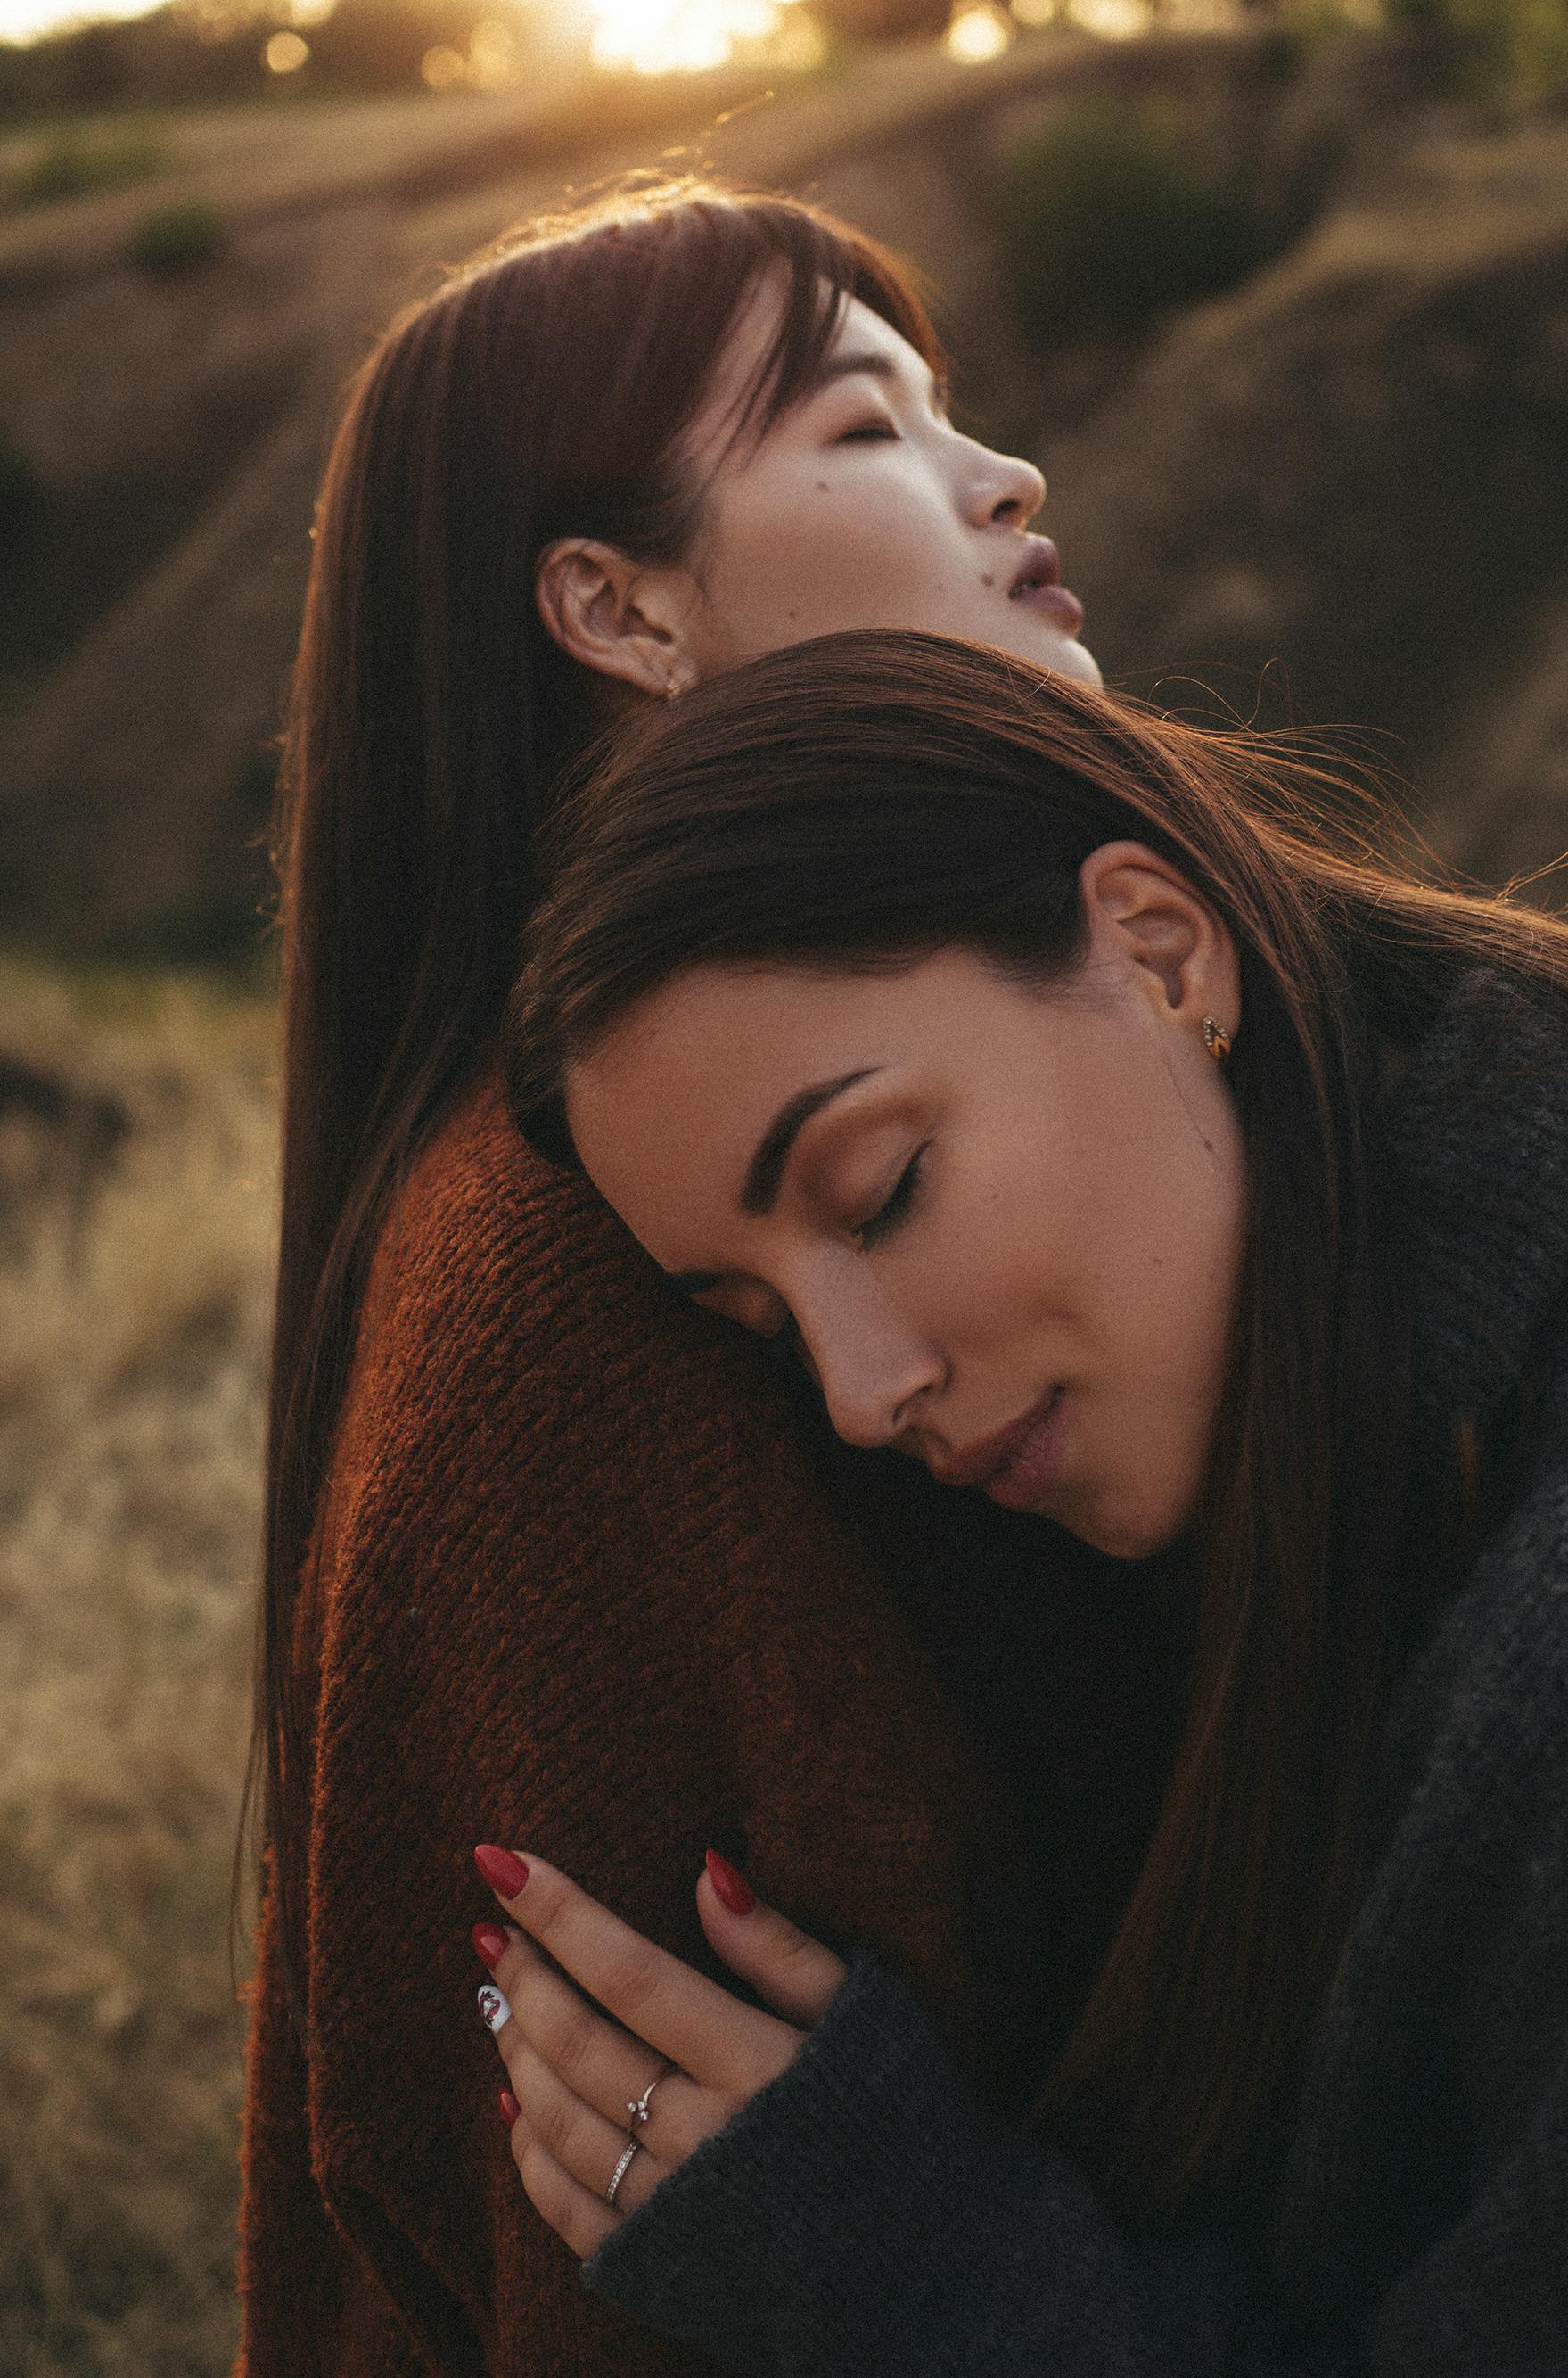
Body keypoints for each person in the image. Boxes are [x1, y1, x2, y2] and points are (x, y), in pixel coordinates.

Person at [466, 629, 1568, 2374]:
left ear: (1161, 951)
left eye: (880, 1190)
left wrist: (917, 2272)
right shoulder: (1389, 1470)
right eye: (765, 1320)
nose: (862, 1393)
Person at [238, 177, 1152, 2378]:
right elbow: (618, 2258)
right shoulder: (556, 1307)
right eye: (863, 432)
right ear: (619, 611)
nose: (999, 475)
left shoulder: (626, 1178)